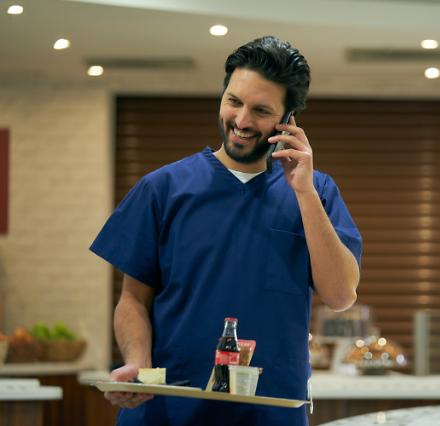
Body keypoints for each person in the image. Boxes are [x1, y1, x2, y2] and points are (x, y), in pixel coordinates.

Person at [90, 35, 362, 425]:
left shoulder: (316, 193)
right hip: (168, 411)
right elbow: (132, 300)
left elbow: (340, 296)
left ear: (288, 119)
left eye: (261, 110)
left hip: (271, 414)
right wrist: (137, 363)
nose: (242, 121)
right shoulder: (163, 189)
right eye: (234, 101)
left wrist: (303, 192)